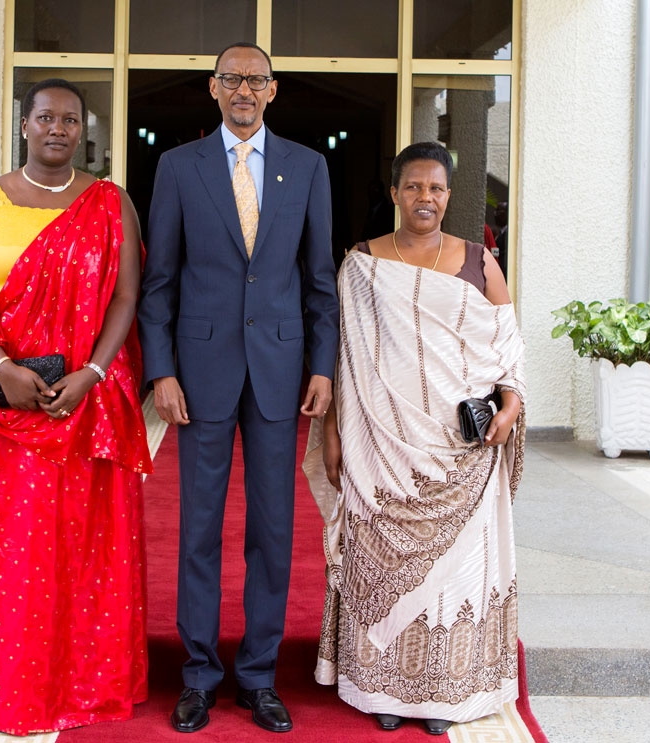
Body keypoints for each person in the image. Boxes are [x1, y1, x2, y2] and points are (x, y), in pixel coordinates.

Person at [0, 79, 152, 735]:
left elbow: (126, 297)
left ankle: (81, 679)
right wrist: (1, 368)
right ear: (25, 125)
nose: (57, 128)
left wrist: (93, 373)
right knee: (1, 554)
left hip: (82, 401)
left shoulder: (109, 202)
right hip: (0, 405)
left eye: (70, 120)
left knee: (79, 548)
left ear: (83, 131)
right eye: (46, 117)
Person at [137, 42, 339, 734]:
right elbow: (159, 281)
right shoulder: (178, 167)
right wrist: (161, 370)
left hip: (280, 373)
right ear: (214, 88)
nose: (244, 90)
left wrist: (322, 366)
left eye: (256, 80)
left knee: (273, 531)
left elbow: (319, 279)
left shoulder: (307, 167)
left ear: (273, 90)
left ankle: (258, 676)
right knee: (197, 529)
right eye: (232, 79)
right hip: (200, 375)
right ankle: (198, 675)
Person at [304, 142, 526, 736]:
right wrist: (333, 433)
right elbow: (343, 357)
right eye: (413, 187)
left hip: (463, 451)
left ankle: (447, 692)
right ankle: (382, 688)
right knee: (378, 563)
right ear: (396, 193)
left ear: (449, 196)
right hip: (379, 447)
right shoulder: (362, 264)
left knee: (457, 573)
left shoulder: (479, 261)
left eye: (435, 188)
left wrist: (510, 404)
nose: (425, 197)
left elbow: (508, 345)